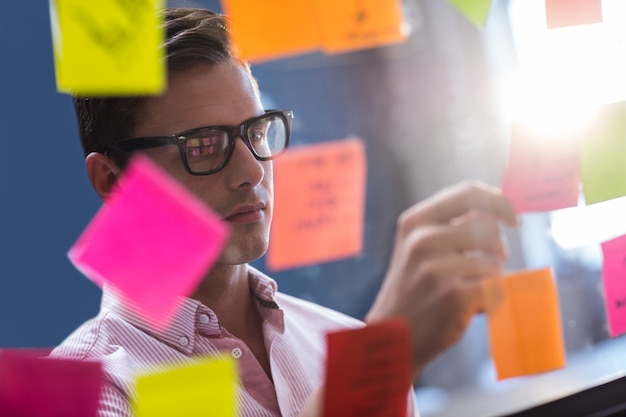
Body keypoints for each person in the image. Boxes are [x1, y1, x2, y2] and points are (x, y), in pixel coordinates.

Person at [50, 7, 519, 417]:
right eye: (203, 145)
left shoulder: (335, 338)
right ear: (114, 182)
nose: (251, 172)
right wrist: (380, 355)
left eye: (256, 132)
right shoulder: (87, 392)